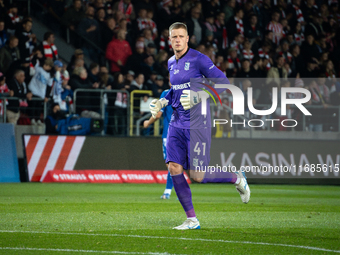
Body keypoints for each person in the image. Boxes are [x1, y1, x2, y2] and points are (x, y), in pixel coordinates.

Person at [149, 22, 250, 230]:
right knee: (174, 167)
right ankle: (192, 219)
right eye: (173, 37)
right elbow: (175, 90)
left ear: (187, 39)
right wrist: (163, 101)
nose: (177, 40)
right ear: (169, 40)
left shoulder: (199, 59)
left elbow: (223, 83)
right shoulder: (170, 63)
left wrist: (199, 96)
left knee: (198, 176)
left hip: (198, 124)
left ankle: (236, 178)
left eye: (181, 36)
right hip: (177, 123)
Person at [144, 88, 174, 199]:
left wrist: (147, 123)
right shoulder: (187, 92)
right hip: (184, 134)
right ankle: (172, 191)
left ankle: (168, 192)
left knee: (171, 165)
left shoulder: (166, 93)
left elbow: (157, 115)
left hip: (169, 134)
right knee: (176, 165)